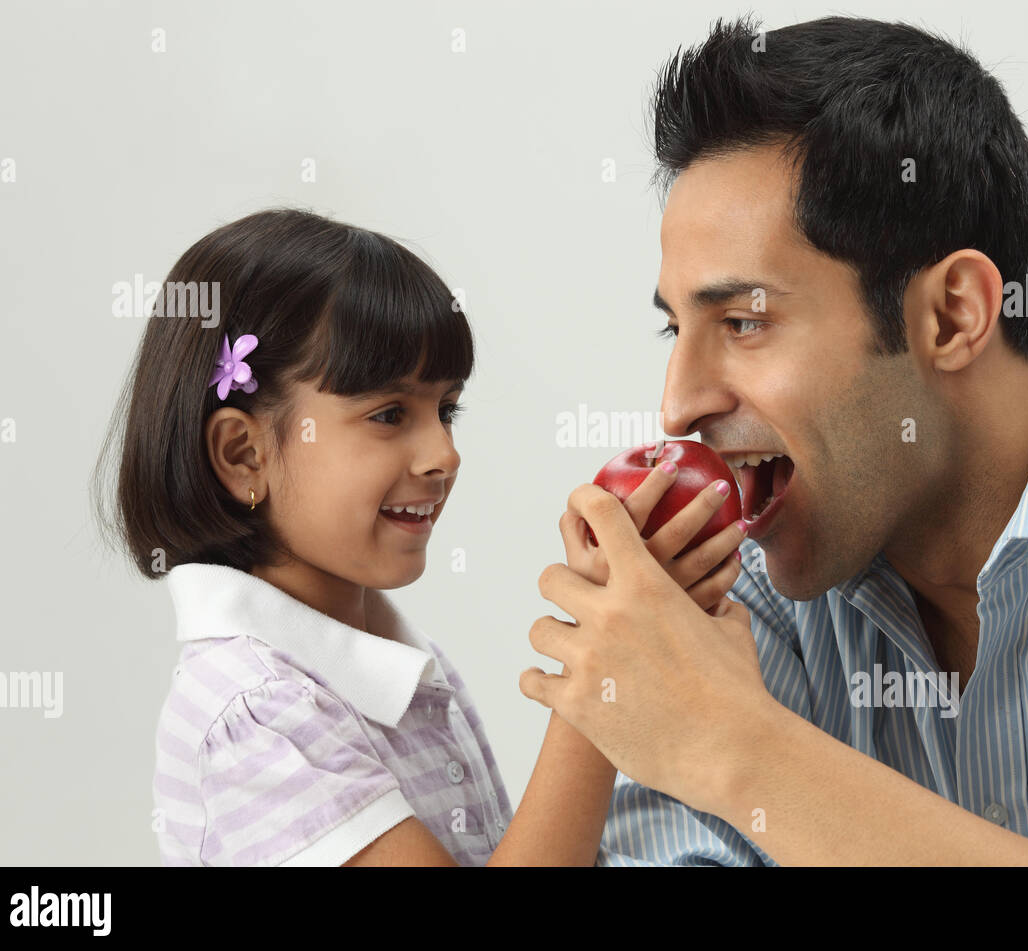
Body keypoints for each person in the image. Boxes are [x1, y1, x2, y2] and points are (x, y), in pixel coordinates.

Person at [522, 15, 1028, 865]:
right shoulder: (748, 607)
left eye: (746, 321)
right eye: (676, 331)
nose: (677, 405)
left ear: (952, 316)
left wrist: (740, 749)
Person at [94, 208, 746, 865]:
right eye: (389, 414)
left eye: (447, 409)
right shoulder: (255, 718)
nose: (443, 453)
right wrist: (600, 679)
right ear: (243, 455)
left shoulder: (396, 664)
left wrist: (628, 641)